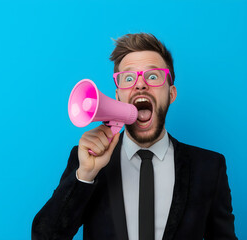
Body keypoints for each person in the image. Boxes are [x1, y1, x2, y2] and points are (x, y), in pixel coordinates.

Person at [32, 33, 237, 240]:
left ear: (171, 94)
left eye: (153, 76)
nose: (140, 85)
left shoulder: (209, 167)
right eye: (128, 78)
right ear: (117, 96)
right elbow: (44, 237)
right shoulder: (85, 160)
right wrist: (85, 175)